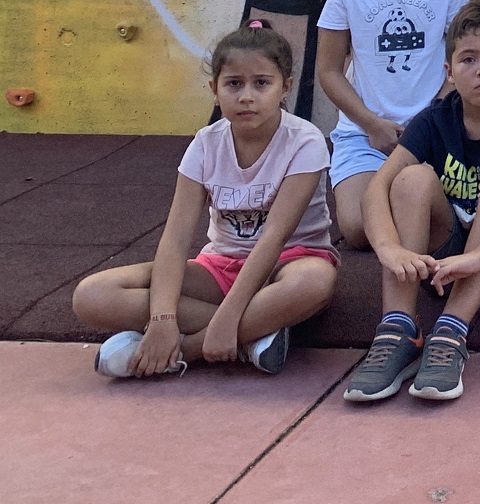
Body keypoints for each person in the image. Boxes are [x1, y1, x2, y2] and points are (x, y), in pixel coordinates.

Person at [74, 24, 336, 380]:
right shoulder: (205, 143)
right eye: (233, 84)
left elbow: (275, 236)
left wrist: (228, 317)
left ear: (285, 87)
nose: (246, 96)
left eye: (261, 83)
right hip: (220, 267)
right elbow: (176, 238)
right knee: (92, 295)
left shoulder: (305, 141)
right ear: (214, 90)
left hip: (288, 264)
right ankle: (253, 339)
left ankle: (186, 351)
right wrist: (162, 318)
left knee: (315, 282)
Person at [343, 0, 480, 402]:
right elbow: (377, 187)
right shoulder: (434, 119)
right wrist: (388, 248)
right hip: (444, 266)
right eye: (469, 59)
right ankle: (398, 329)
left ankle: (451, 332)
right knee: (410, 179)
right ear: (449, 72)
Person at [317, 0, 467, 248]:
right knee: (357, 230)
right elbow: (328, 71)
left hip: (434, 128)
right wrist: (372, 124)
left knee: (427, 214)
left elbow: (463, 60)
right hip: (365, 134)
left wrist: (431, 118)